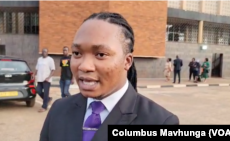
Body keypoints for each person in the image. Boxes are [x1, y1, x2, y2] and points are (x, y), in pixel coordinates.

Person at [39, 12, 179, 141]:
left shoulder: (160, 122)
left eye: (100, 54)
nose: (84, 66)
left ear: (127, 61)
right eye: (77, 53)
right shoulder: (58, 110)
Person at [33, 48, 55, 113]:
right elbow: (36, 68)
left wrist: (49, 77)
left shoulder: (50, 60)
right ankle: (48, 99)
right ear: (41, 52)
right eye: (43, 51)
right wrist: (34, 75)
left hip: (46, 80)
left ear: (47, 52)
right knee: (38, 90)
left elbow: (53, 70)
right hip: (40, 79)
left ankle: (44, 107)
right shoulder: (39, 59)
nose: (44, 52)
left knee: (46, 93)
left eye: (45, 51)